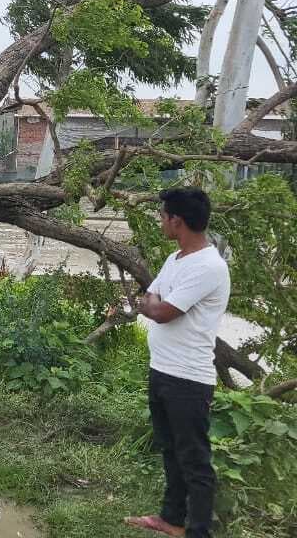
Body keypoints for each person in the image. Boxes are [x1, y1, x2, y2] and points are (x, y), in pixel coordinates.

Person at [124, 188, 229, 538]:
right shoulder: (176, 259)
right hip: (162, 370)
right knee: (171, 450)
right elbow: (150, 297)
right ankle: (171, 519)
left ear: (176, 220)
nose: (160, 221)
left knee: (195, 460)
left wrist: (153, 306)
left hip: (189, 379)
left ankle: (198, 531)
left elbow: (161, 311)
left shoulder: (210, 266)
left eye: (162, 216)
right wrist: (152, 304)